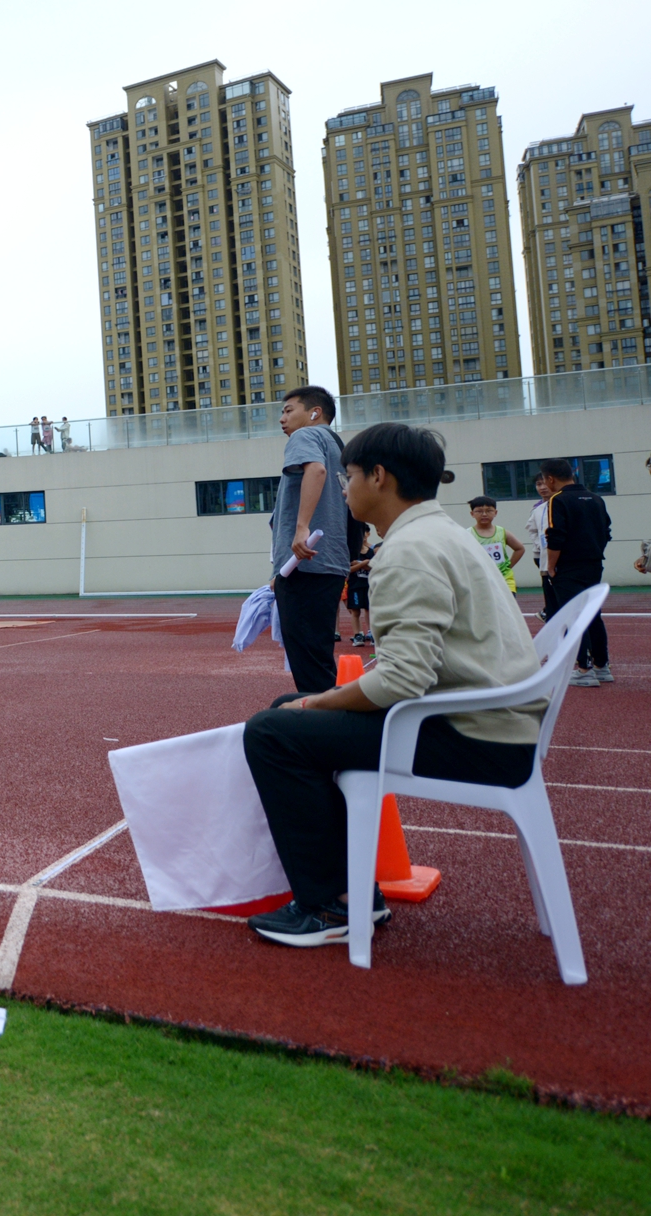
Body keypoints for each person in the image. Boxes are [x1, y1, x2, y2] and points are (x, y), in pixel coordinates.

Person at [242, 423, 543, 947]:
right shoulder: (444, 533)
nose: (344, 487)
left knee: (272, 732)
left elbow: (403, 679)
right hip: (494, 724)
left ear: (378, 477)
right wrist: (311, 704)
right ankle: (349, 892)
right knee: (287, 710)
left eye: (348, 476)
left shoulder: (407, 550)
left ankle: (329, 906)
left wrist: (316, 702)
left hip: (476, 738)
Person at [270, 386, 350, 694]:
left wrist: (301, 527)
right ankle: (328, 722)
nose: (282, 419)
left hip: (304, 564)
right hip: (330, 564)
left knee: (308, 664)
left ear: (314, 413)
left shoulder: (305, 437)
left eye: (289, 410)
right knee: (318, 657)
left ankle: (325, 730)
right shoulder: (339, 448)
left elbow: (315, 470)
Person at [541, 458, 612, 686]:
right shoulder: (596, 498)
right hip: (593, 563)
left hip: (569, 566)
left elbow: (556, 536)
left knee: (572, 615)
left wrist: (551, 566)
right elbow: (606, 531)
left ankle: (583, 669)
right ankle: (602, 666)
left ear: (550, 479)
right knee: (593, 614)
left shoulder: (558, 500)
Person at [467, 496, 524, 594]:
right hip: (480, 580)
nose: (484, 514)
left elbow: (520, 549)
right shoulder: (467, 534)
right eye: (479, 511)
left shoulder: (502, 532)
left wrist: (508, 566)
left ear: (495, 513)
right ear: (472, 514)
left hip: (504, 579)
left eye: (489, 511)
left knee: (508, 608)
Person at [524, 472, 553, 619]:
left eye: (545, 483)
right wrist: (539, 545)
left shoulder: (560, 503)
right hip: (541, 556)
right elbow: (532, 529)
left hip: (559, 555)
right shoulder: (537, 508)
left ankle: (550, 611)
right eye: (538, 484)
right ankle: (549, 612)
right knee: (548, 588)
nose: (542, 487)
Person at [344, 526, 374, 647]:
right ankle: (358, 634)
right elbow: (349, 569)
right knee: (355, 611)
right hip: (355, 586)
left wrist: (363, 563)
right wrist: (365, 563)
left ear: (367, 534)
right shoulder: (351, 552)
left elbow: (372, 566)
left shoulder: (371, 551)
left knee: (369, 609)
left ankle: (371, 633)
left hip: (368, 585)